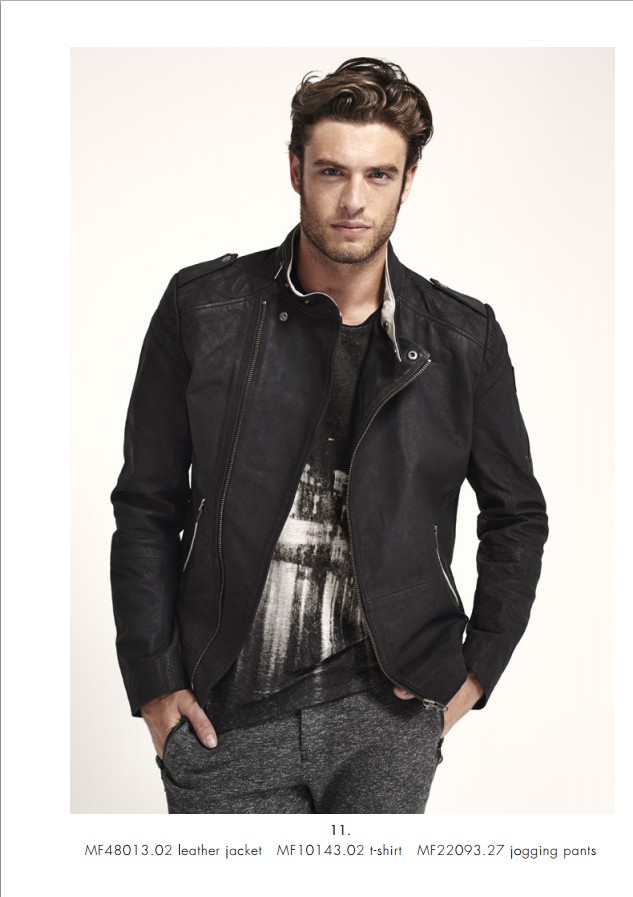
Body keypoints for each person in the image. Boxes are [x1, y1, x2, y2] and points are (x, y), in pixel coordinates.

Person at [110, 57, 548, 814]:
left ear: (408, 181)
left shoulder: (462, 339)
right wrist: (154, 681)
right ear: (294, 170)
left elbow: (517, 515)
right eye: (331, 171)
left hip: (386, 721)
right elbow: (147, 504)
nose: (353, 200)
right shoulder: (203, 310)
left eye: (379, 175)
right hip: (223, 722)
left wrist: (475, 671)